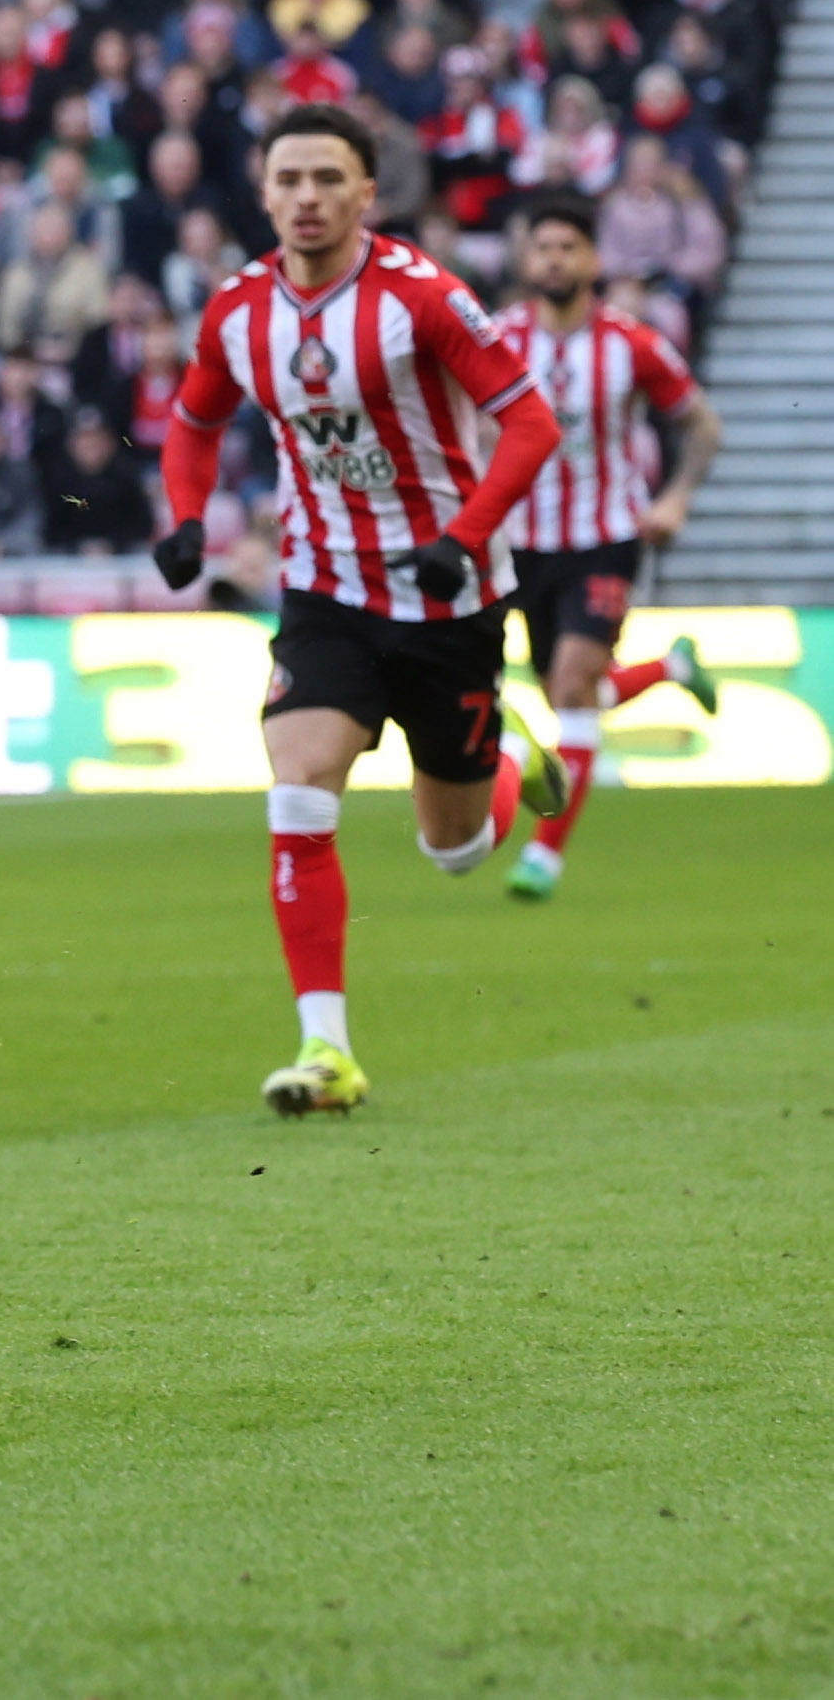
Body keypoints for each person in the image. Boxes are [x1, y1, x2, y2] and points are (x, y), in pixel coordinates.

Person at [152, 103, 567, 1119]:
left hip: (445, 595)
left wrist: (461, 537)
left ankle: (501, 759)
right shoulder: (235, 308)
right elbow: (192, 417)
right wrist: (184, 515)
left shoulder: (418, 297)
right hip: (324, 588)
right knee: (295, 788)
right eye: (286, 178)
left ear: (364, 194)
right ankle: (323, 1047)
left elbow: (528, 423)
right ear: (261, 191)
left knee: (454, 850)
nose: (305, 197)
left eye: (326, 179)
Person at [493, 196, 724, 901]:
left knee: (568, 689)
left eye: (568, 247)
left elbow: (702, 425)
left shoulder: (630, 344)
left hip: (603, 537)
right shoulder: (498, 339)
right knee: (575, 692)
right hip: (518, 540)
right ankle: (670, 665)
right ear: (527, 259)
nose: (555, 259)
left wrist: (675, 497)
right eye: (544, 248)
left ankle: (544, 856)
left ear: (593, 259)